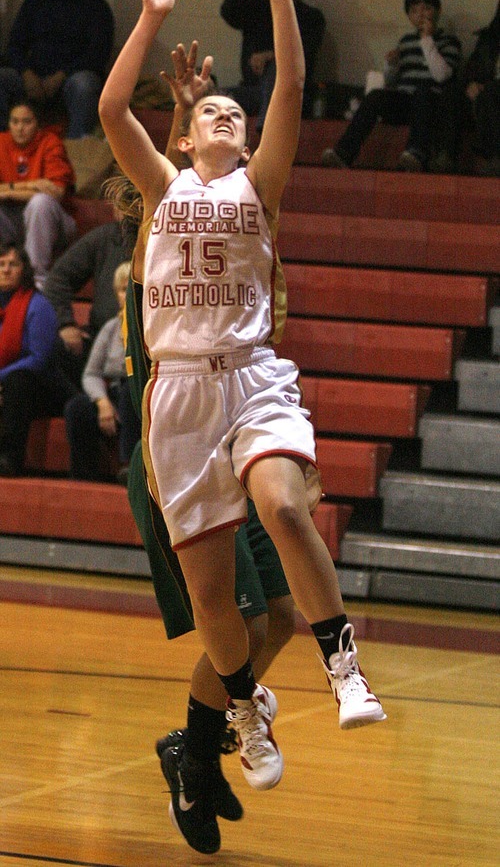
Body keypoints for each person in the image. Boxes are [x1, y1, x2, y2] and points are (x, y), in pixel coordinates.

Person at [98, 0, 385, 816]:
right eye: (214, 112)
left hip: (250, 377)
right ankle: (242, 709)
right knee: (224, 609)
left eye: (239, 113)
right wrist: (149, 18)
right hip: (178, 399)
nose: (233, 116)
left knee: (285, 507)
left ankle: (341, 663)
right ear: (183, 137)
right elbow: (113, 114)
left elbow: (291, 84)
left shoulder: (257, 189)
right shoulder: (165, 191)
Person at [104, 55, 296, 855]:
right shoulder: (164, 222)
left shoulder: (242, 227)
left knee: (278, 619)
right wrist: (182, 110)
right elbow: (142, 147)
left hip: (231, 429)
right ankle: (202, 748)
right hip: (175, 450)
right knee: (242, 619)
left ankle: (195, 742)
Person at [321, 0, 462, 172]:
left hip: (431, 104)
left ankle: (416, 153)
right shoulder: (406, 41)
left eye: (426, 8)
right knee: (376, 95)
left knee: (422, 92)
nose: (421, 14)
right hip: (405, 102)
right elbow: (391, 81)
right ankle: (343, 153)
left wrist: (427, 40)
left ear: (437, 11)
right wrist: (391, 65)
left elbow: (441, 75)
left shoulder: (449, 42)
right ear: (409, 16)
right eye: (414, 10)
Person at [0, 0, 114, 137]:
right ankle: (5, 145)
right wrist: (27, 74)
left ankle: (79, 149)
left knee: (84, 84)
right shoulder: (33, 4)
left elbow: (97, 55)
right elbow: (14, 47)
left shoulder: (96, 7)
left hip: (71, 80)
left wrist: (61, 76)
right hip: (33, 78)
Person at [220, 0, 325, 130]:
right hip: (253, 91)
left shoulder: (311, 16)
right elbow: (229, 11)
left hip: (289, 97)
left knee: (278, 68)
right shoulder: (257, 9)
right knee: (210, 96)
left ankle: (266, 129)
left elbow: (306, 52)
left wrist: (271, 56)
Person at [63, 261, 140, 481]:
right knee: (77, 407)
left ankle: (129, 466)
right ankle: (83, 475)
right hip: (112, 394)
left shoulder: (153, 328)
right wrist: (102, 402)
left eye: (134, 289)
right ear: (117, 294)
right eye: (124, 290)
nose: (128, 295)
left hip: (139, 394)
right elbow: (91, 374)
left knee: (128, 389)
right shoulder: (111, 328)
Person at [43, 211, 132, 399]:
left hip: (148, 339)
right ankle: (88, 404)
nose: (123, 208)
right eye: (117, 202)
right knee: (55, 348)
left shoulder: (162, 237)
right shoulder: (104, 237)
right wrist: (66, 323)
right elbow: (57, 280)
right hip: (101, 335)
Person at [0, 242, 69, 476]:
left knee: (18, 381)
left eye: (13, 264)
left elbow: (40, 359)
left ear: (25, 270)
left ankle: (10, 460)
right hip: (7, 382)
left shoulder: (38, 305)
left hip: (41, 386)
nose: (6, 270)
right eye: (1, 264)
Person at [0, 97, 76, 290]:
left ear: (38, 124)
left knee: (40, 202)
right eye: (14, 121)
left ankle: (36, 279)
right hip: (13, 221)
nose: (20, 128)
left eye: (27, 122)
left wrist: (7, 190)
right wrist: (34, 185)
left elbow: (56, 191)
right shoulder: (1, 142)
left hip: (55, 223)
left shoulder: (50, 142)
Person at [464, 0, 500, 176]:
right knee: (453, 93)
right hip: (489, 91)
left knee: (492, 90)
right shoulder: (489, 38)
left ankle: (494, 154)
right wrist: (471, 83)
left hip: (493, 90)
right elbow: (473, 66)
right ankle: (445, 157)